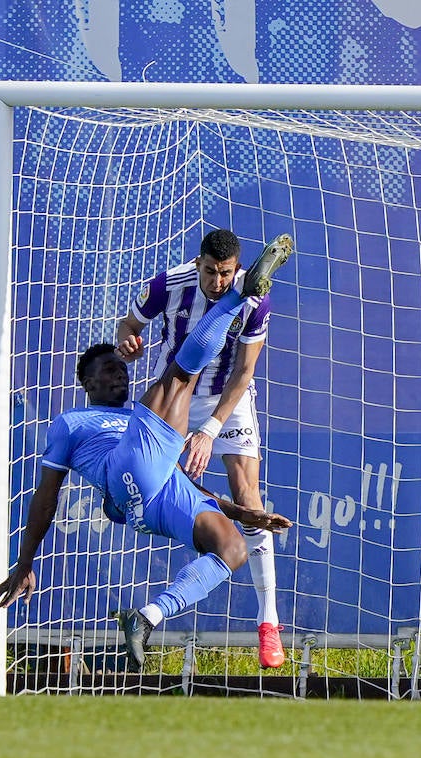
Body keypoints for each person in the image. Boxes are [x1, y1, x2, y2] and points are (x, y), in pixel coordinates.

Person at [0, 234, 296, 673]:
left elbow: (180, 473)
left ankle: (147, 617)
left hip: (153, 498)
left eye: (120, 370)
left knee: (231, 547)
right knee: (178, 378)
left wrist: (237, 512)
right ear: (87, 384)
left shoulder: (135, 415)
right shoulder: (73, 423)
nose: (119, 376)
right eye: (108, 372)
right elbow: (46, 496)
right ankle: (236, 301)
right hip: (129, 472)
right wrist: (25, 561)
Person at [115, 228, 288, 669]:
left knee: (249, 496)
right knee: (137, 495)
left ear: (237, 269)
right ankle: (156, 608)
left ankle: (268, 623)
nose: (217, 281)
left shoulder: (255, 295)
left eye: (226, 273)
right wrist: (128, 343)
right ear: (197, 264)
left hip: (227, 401)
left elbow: (244, 372)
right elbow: (129, 327)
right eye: (210, 272)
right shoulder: (168, 284)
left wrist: (210, 430)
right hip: (174, 397)